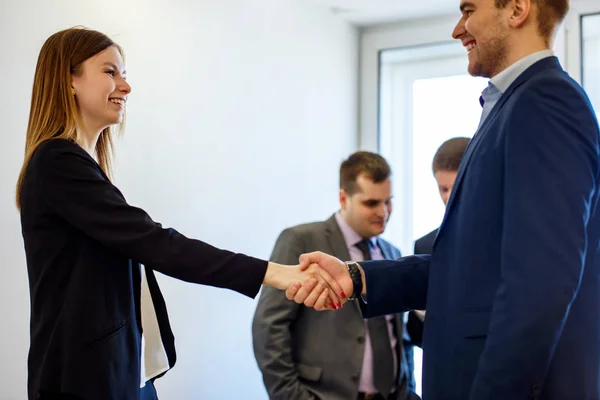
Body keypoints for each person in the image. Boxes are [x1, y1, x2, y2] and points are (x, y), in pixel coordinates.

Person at [287, 0, 600, 397]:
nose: (458, 29)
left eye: (468, 10)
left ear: (517, 9)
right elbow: (468, 268)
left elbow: (541, 284)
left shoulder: (546, 101)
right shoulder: (510, 105)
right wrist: (357, 276)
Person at [17, 27, 341, 400]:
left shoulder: (78, 165)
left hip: (122, 372)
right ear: (68, 79)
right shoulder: (56, 163)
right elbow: (157, 244)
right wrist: (279, 273)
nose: (126, 86)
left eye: (124, 74)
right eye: (110, 72)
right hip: (82, 379)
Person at [252, 151, 418, 400]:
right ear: (344, 198)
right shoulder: (302, 241)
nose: (383, 212)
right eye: (371, 203)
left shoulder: (392, 253)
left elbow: (399, 336)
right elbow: (269, 327)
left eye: (388, 201)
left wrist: (409, 389)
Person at [408, 137, 470, 348]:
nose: (450, 197)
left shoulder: (510, 239)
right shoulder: (424, 246)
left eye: (457, 187)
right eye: (444, 189)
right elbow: (416, 337)